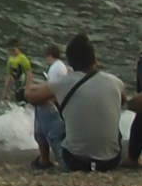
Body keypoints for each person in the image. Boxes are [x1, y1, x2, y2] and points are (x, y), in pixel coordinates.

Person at [25, 34, 125, 173]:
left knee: (42, 106)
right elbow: (123, 101)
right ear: (95, 60)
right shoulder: (115, 82)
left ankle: (44, 160)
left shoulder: (63, 83)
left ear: (70, 64)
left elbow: (31, 97)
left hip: (74, 162)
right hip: (111, 161)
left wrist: (29, 79)